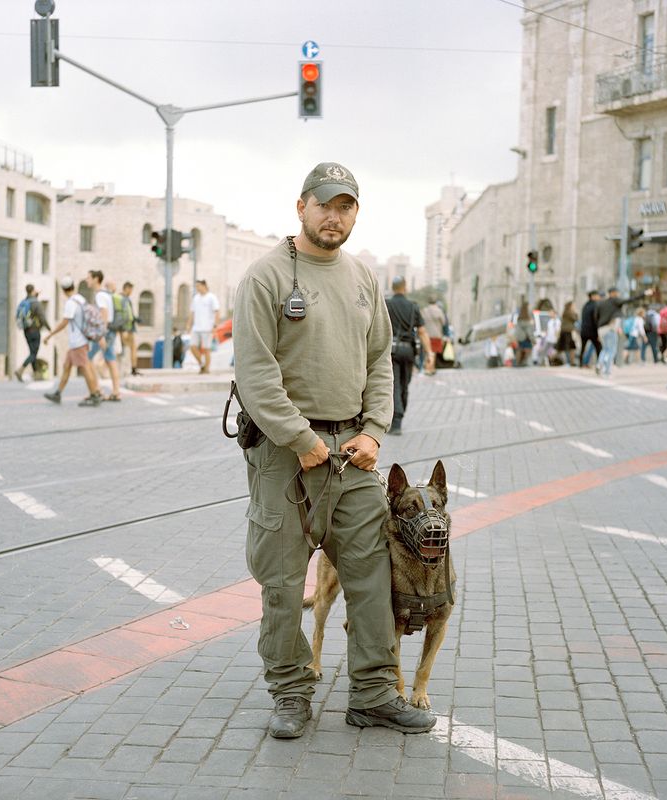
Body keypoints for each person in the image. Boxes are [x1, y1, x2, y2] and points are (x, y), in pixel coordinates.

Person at [232, 161, 436, 740]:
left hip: (353, 453)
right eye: (325, 204)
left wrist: (374, 429)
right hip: (284, 455)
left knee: (373, 573)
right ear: (301, 206)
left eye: (346, 206)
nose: (334, 215)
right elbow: (255, 373)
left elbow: (379, 360)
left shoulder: (362, 279)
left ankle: (373, 693)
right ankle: (291, 691)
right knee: (281, 579)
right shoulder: (266, 277)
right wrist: (301, 440)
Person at [43, 277, 101, 406]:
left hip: (77, 342)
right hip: (81, 340)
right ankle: (58, 393)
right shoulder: (80, 298)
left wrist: (49, 335)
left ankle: (94, 395)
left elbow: (64, 322)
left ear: (63, 290)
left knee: (85, 369)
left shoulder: (71, 303)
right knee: (67, 367)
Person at [386, 277, 434, 432]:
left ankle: (397, 419)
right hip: (409, 351)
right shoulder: (413, 307)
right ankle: (401, 413)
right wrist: (429, 353)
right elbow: (422, 331)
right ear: (405, 288)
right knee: (405, 384)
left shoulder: (387, 304)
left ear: (392, 288)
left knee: (394, 385)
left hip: (392, 351)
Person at [594, 286, 653, 377]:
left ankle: (599, 364)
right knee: (611, 350)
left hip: (601, 329)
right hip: (610, 329)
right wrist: (644, 294)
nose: (618, 294)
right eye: (617, 292)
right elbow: (629, 300)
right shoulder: (615, 301)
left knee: (605, 349)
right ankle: (607, 371)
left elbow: (596, 317)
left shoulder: (602, 303)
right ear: (613, 293)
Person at [86, 270, 122, 401]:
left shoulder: (100, 295)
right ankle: (116, 391)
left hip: (103, 332)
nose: (87, 280)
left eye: (89, 278)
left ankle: (96, 389)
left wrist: (100, 335)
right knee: (110, 360)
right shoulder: (105, 294)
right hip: (110, 331)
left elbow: (104, 315)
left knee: (87, 357)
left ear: (96, 279)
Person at [14, 284, 51, 381]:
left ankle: (36, 374)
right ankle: (20, 370)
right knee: (34, 353)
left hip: (26, 330)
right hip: (35, 331)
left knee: (32, 352)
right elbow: (42, 318)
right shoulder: (36, 303)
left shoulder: (25, 302)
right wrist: (49, 329)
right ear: (33, 291)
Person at [187, 279, 220, 374]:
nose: (197, 288)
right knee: (192, 347)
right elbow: (192, 312)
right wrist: (189, 324)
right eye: (196, 286)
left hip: (207, 328)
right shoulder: (196, 298)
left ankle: (206, 368)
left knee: (206, 349)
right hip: (196, 327)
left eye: (198, 286)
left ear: (204, 285)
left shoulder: (211, 297)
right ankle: (201, 364)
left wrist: (215, 326)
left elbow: (217, 311)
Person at [117, 281, 141, 376]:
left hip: (127, 328)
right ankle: (129, 369)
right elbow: (125, 315)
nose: (131, 292)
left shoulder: (124, 299)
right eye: (131, 289)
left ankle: (132, 368)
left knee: (129, 348)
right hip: (126, 328)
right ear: (127, 288)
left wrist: (135, 319)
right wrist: (125, 328)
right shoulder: (123, 299)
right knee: (125, 349)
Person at [420, 296, 446, 375]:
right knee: (433, 352)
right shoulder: (439, 311)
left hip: (426, 334)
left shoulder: (424, 311)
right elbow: (444, 322)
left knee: (427, 351)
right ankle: (430, 368)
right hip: (436, 334)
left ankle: (428, 367)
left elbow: (420, 322)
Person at [579, 290, 601, 367]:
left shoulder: (585, 305)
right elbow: (595, 319)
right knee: (598, 348)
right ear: (593, 296)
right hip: (592, 331)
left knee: (583, 348)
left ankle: (581, 364)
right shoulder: (595, 305)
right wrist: (598, 332)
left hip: (583, 330)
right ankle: (599, 364)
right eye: (597, 295)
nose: (598, 297)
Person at [514, 301, 535, 366]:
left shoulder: (519, 317)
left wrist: (516, 337)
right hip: (526, 337)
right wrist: (533, 339)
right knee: (528, 348)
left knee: (520, 349)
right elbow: (529, 331)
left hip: (519, 337)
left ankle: (518, 362)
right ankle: (524, 361)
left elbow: (516, 329)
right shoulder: (527, 319)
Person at [557, 300, 578, 366]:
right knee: (569, 347)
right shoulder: (569, 312)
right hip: (568, 331)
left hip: (565, 331)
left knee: (565, 347)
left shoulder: (565, 312)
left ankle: (570, 361)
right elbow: (575, 318)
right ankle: (570, 362)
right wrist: (575, 312)